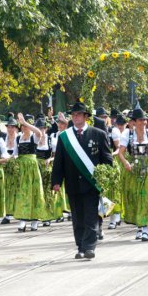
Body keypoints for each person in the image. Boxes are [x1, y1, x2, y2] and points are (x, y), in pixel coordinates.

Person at [51, 100, 113, 260]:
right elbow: (59, 161)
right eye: (73, 114)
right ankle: (80, 247)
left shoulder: (98, 134)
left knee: (91, 217)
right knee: (78, 218)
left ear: (85, 116)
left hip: (91, 184)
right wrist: (56, 181)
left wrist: (105, 177)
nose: (76, 117)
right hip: (72, 183)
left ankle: (90, 247)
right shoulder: (65, 137)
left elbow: (107, 159)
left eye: (79, 114)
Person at [118, 105, 148, 241]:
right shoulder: (128, 134)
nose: (143, 123)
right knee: (136, 198)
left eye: (144, 120)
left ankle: (145, 228)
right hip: (134, 170)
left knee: (146, 197)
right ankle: (139, 227)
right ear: (134, 122)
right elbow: (120, 152)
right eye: (140, 120)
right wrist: (125, 163)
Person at [11, 113, 48, 232]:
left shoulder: (34, 136)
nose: (24, 128)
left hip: (32, 168)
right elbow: (15, 153)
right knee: (22, 193)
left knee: (34, 192)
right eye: (22, 126)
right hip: (22, 168)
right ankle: (22, 220)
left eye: (25, 126)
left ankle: (34, 220)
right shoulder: (18, 138)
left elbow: (40, 133)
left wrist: (25, 122)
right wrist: (13, 159)